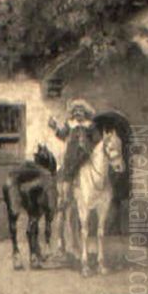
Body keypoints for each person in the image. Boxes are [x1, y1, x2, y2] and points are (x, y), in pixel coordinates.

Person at [49, 99, 99, 253]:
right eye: (75, 111)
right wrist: (54, 126)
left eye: (81, 111)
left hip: (85, 161)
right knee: (65, 197)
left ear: (86, 113)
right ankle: (61, 238)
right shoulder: (70, 125)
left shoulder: (90, 126)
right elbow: (61, 134)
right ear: (73, 113)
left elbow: (97, 141)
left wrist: (88, 147)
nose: (78, 113)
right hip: (70, 164)